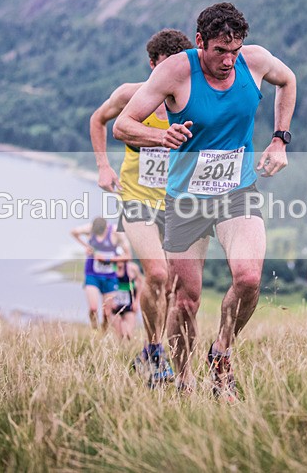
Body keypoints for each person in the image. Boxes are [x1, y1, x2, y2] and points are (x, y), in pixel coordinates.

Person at [113, 2, 296, 401]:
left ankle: (221, 353)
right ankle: (183, 381)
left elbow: (288, 81)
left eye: (235, 50)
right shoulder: (175, 71)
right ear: (200, 42)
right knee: (186, 301)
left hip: (237, 192)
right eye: (219, 51)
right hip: (186, 201)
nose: (228, 61)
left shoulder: (254, 61)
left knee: (248, 278)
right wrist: (160, 136)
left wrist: (280, 139)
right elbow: (123, 125)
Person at [89, 28, 194, 385]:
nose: (170, 76)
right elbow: (98, 119)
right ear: (152, 65)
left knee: (174, 287)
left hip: (177, 204)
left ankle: (153, 353)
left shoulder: (192, 100)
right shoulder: (130, 95)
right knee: (158, 274)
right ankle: (155, 351)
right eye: (164, 68)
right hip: (136, 199)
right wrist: (103, 166)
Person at [70, 217, 131, 329]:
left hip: (110, 276)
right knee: (93, 308)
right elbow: (73, 232)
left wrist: (108, 260)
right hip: (92, 274)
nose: (98, 237)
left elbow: (128, 256)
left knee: (107, 312)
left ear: (106, 228)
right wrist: (86, 246)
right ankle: (94, 329)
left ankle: (103, 332)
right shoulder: (90, 228)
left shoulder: (116, 232)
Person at [103, 259, 142, 341]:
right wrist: (109, 302)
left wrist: (136, 301)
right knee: (119, 335)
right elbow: (104, 286)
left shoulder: (132, 268)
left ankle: (128, 346)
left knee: (128, 334)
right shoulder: (110, 269)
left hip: (129, 306)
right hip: (114, 307)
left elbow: (140, 283)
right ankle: (120, 349)